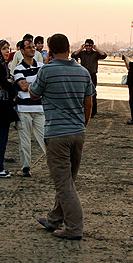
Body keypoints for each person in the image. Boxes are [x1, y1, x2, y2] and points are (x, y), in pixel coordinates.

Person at [30, 33, 95, 240]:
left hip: (57, 134)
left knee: (64, 184)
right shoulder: (83, 72)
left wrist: (47, 64)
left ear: (49, 49)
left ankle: (74, 228)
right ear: (69, 47)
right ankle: (54, 219)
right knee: (68, 179)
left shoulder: (47, 71)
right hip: (77, 133)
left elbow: (33, 93)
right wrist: (81, 126)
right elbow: (89, 104)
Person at [13, 39, 46, 177]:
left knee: (46, 140)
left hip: (39, 109)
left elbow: (42, 84)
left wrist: (31, 85)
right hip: (23, 109)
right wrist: (37, 85)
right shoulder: (18, 68)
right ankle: (26, 167)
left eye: (33, 47)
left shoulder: (41, 67)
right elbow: (23, 86)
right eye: (29, 47)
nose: (32, 49)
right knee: (24, 141)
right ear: (22, 51)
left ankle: (56, 167)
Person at [0, 40, 18, 178]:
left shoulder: (3, 65)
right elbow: (4, 84)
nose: (7, 51)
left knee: (3, 137)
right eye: (4, 48)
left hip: (3, 104)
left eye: (8, 48)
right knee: (1, 138)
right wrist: (9, 83)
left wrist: (9, 83)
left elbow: (8, 84)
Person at [71, 38, 107, 118]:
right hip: (83, 75)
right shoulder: (82, 53)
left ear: (92, 46)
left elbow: (104, 55)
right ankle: (83, 109)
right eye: (86, 45)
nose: (88, 47)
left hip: (92, 75)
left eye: (89, 46)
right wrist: (81, 48)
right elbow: (73, 55)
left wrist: (96, 48)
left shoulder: (95, 54)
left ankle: (93, 111)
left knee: (93, 93)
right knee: (83, 93)